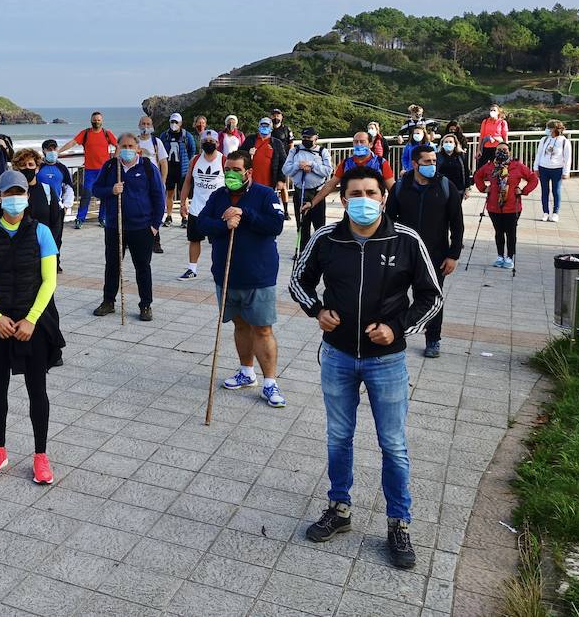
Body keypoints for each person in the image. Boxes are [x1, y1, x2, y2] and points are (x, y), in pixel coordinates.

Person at [291, 164, 443, 570]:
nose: (363, 201)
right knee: (338, 436)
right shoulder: (327, 238)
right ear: (343, 199)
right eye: (354, 194)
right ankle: (339, 508)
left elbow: (432, 297)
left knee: (393, 443)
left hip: (386, 361)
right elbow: (297, 281)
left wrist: (397, 329)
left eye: (370, 193)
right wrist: (317, 310)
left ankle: (399, 522)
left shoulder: (406, 240)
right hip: (338, 355)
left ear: (383, 197)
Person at [0, 169, 63, 486]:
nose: (15, 199)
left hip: (34, 321)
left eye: (20, 193)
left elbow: (49, 280)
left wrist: (32, 319)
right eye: (9, 194)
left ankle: (40, 456)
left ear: (27, 196)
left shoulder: (41, 232)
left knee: (38, 390)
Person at [196, 150, 288, 408]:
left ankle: (270, 382)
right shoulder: (218, 196)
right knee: (240, 325)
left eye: (236, 170)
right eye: (227, 170)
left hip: (258, 275)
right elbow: (201, 224)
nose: (230, 175)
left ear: (248, 172)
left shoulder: (266, 194)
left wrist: (245, 214)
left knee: (263, 328)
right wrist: (223, 224)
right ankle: (246, 372)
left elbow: (276, 225)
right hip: (226, 275)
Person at [385, 143, 463, 358]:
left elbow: (457, 224)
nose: (432, 165)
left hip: (435, 255)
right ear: (414, 164)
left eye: (434, 161)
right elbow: (388, 221)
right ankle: (394, 332)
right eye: (427, 162)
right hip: (403, 253)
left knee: (431, 298)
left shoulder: (446, 186)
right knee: (394, 296)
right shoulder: (400, 187)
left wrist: (453, 255)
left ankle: (433, 339)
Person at [90, 133, 165, 321]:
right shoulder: (109, 167)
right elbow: (96, 189)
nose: (127, 150)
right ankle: (108, 301)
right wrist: (111, 190)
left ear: (138, 148)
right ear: (117, 147)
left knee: (142, 267)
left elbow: (158, 197)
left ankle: (145, 304)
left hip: (142, 227)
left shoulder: (148, 167)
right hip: (115, 226)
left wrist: (155, 225)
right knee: (112, 265)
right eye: (124, 146)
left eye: (131, 146)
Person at [472, 142, 537, 270]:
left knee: (511, 232)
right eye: (499, 150)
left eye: (505, 150)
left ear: (510, 152)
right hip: (494, 205)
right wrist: (483, 188)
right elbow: (477, 175)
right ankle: (500, 255)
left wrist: (523, 191)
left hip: (513, 205)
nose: (502, 152)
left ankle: (510, 256)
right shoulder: (490, 166)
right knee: (499, 231)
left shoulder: (517, 166)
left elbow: (533, 178)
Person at [303, 131, 395, 217]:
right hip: (352, 210)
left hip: (373, 209)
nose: (358, 144)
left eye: (362, 142)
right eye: (355, 142)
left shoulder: (381, 163)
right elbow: (330, 185)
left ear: (370, 144)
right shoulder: (346, 163)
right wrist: (312, 203)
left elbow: (392, 189)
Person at [178, 131, 224, 281]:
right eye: (205, 140)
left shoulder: (224, 160)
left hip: (216, 210)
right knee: (194, 239)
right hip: (197, 208)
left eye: (212, 140)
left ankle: (219, 269)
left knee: (217, 242)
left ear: (217, 143)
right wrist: (183, 202)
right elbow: (187, 182)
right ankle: (192, 269)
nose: (208, 142)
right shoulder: (195, 160)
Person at [60, 111, 116, 229]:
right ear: (91, 121)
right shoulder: (85, 133)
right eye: (95, 120)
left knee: (105, 195)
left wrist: (114, 159)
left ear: (102, 121)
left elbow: (119, 145)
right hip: (90, 171)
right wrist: (58, 152)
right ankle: (80, 219)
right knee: (86, 195)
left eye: (99, 120)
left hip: (104, 171)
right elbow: (72, 143)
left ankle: (102, 218)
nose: (97, 122)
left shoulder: (107, 134)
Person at [283, 127, 333, 255]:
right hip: (300, 192)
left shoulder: (323, 152)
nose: (306, 140)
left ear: (316, 138)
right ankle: (303, 252)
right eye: (304, 138)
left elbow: (328, 171)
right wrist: (298, 165)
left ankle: (320, 252)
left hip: (317, 193)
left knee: (319, 226)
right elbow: (286, 170)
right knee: (302, 225)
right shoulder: (295, 151)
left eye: (309, 138)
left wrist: (312, 165)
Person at [13, 149, 65, 264]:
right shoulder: (12, 193)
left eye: (30, 164)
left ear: (37, 168)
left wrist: (48, 244)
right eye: (22, 165)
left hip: (44, 249)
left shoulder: (47, 190)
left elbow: (56, 221)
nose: (27, 168)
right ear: (17, 168)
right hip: (20, 251)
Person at [34, 139, 75, 256]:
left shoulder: (62, 168)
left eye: (54, 149)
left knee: (57, 237)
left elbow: (68, 188)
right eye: (49, 149)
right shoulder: (38, 167)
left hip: (57, 208)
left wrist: (66, 206)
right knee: (40, 236)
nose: (52, 151)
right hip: (40, 207)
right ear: (44, 151)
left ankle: (56, 262)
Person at [135, 116, 170, 253]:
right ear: (139, 124)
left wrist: (162, 181)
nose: (145, 126)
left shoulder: (157, 142)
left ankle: (156, 241)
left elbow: (163, 163)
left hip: (153, 182)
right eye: (143, 123)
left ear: (152, 126)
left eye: (148, 124)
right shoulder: (134, 141)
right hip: (136, 181)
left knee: (155, 210)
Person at [159, 113, 197, 227]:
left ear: (181, 123)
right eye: (172, 122)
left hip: (183, 170)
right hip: (170, 169)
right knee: (169, 193)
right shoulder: (164, 135)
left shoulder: (187, 136)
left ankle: (184, 217)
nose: (174, 124)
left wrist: (189, 164)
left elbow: (192, 150)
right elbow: (160, 150)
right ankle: (169, 216)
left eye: (176, 122)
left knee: (183, 195)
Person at [534, 120, 572, 223]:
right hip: (543, 168)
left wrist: (566, 172)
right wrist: (536, 168)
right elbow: (539, 154)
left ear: (555, 129)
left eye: (549, 128)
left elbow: (567, 158)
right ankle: (545, 212)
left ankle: (555, 213)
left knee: (556, 191)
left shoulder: (564, 141)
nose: (547, 130)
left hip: (557, 169)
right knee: (544, 191)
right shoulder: (544, 139)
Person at [240, 116, 287, 194]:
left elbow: (283, 162)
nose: (264, 128)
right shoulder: (250, 140)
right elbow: (239, 156)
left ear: (271, 128)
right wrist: (248, 153)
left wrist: (281, 179)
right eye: (262, 126)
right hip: (250, 183)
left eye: (267, 126)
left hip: (269, 183)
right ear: (258, 127)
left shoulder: (277, 143)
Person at [477, 105, 508, 169]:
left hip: (497, 148)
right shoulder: (485, 122)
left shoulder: (502, 122)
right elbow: (481, 136)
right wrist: (479, 149)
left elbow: (505, 137)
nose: (492, 112)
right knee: (481, 167)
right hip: (486, 147)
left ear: (498, 112)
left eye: (494, 110)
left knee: (497, 168)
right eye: (491, 110)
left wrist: (506, 150)